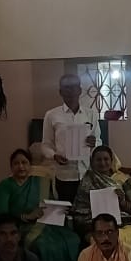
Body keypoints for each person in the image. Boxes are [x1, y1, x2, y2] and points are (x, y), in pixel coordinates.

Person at [0, 148, 80, 261]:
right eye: (16, 163)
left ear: (30, 165)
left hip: (47, 224)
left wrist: (61, 209)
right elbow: (2, 215)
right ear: (11, 167)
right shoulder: (5, 186)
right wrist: (26, 216)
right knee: (43, 246)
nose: (21, 166)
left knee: (73, 239)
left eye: (24, 162)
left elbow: (51, 202)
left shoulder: (40, 182)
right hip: (20, 227)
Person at [72, 146, 131, 260]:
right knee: (105, 239)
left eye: (106, 159)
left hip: (123, 222)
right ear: (92, 162)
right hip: (94, 224)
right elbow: (80, 212)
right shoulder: (87, 180)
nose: (103, 163)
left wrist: (123, 203)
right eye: (98, 160)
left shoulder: (123, 179)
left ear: (111, 161)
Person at [39, 74, 101, 202]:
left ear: (80, 90)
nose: (70, 90)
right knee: (66, 211)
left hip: (86, 173)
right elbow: (45, 145)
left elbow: (99, 141)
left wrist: (94, 143)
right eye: (66, 87)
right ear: (60, 91)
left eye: (74, 87)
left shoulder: (91, 114)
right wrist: (54, 156)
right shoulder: (51, 115)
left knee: (86, 210)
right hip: (64, 175)